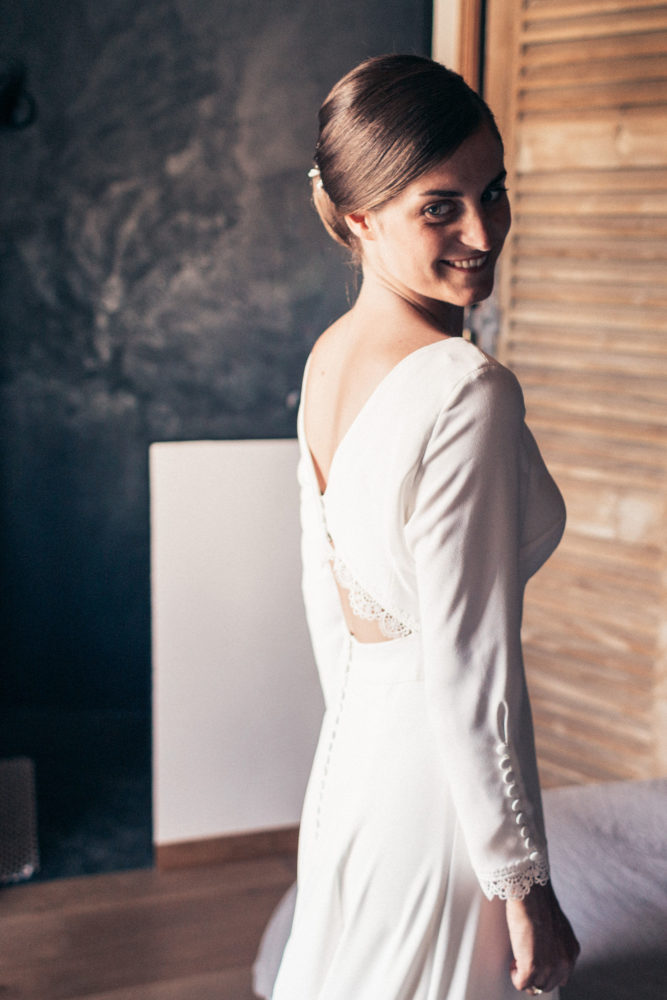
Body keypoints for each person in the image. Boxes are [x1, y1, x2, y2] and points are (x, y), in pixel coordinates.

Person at [266, 54, 580, 999]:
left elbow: (327, 600)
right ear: (358, 217)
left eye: (493, 192)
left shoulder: (329, 356)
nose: (482, 232)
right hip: (439, 796)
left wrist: (350, 744)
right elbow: (469, 662)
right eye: (439, 207)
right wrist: (521, 882)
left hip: (354, 761)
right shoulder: (466, 389)